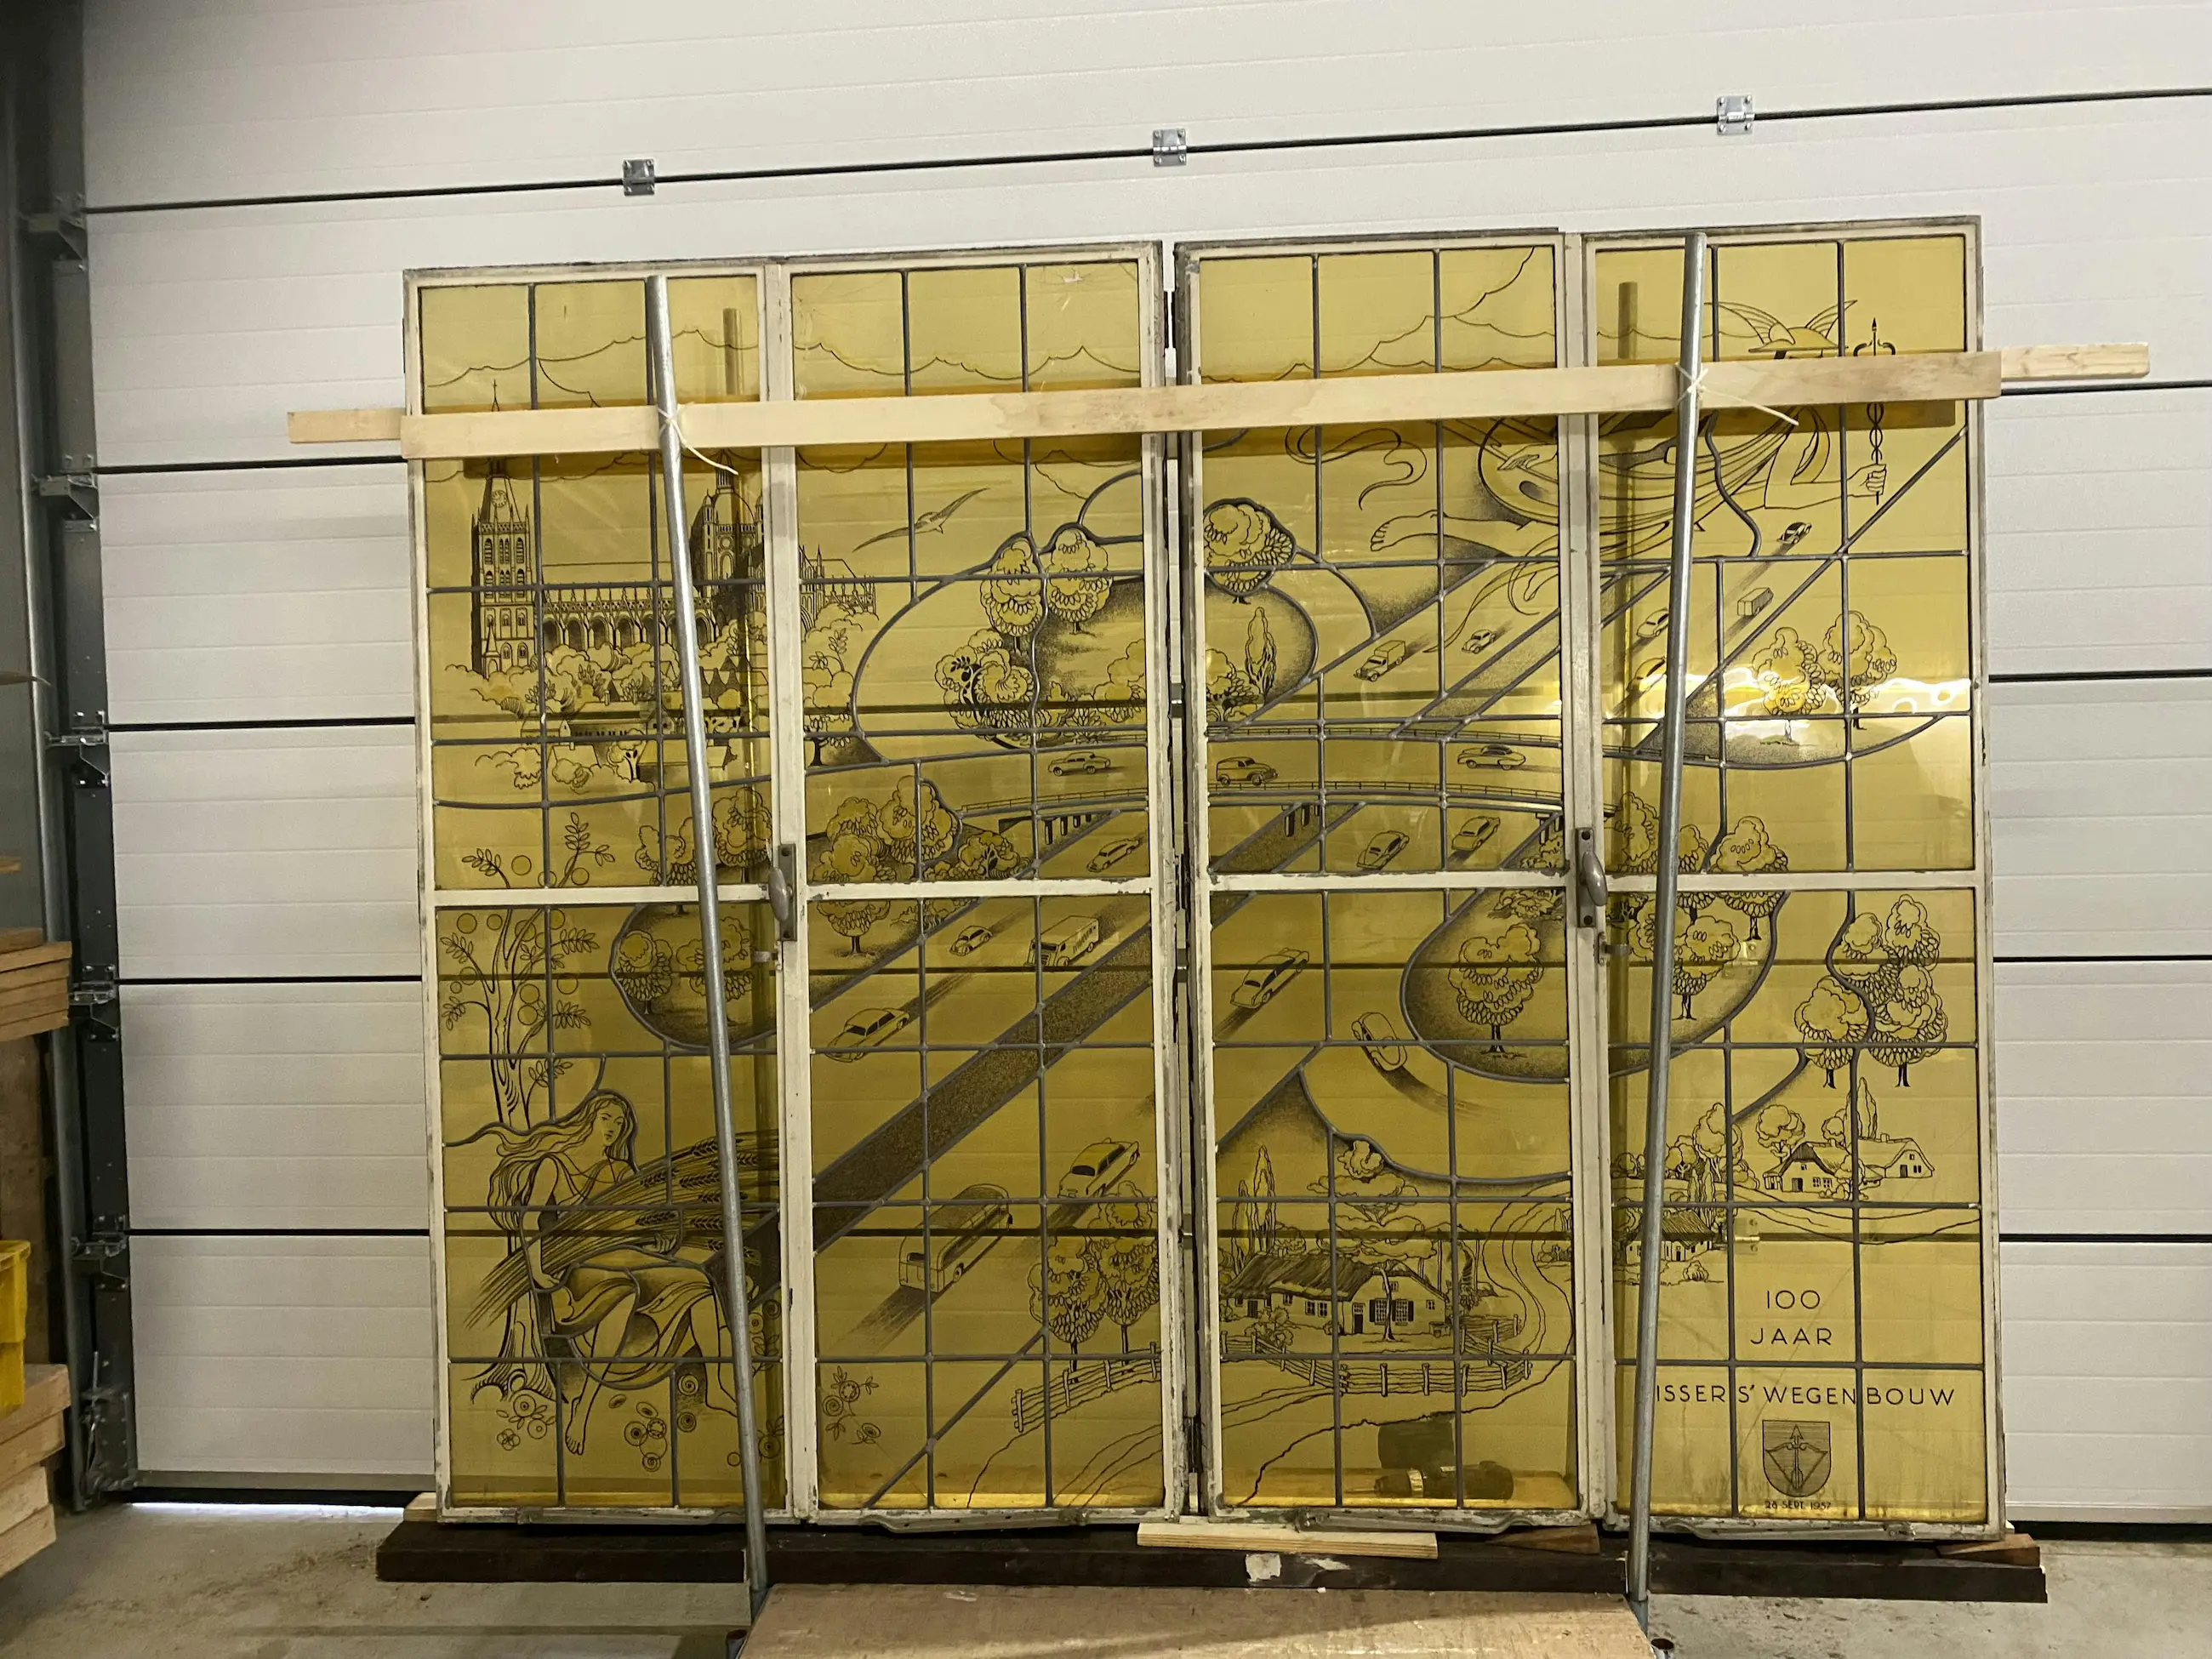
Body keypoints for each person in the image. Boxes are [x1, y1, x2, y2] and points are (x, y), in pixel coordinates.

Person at [485, 1091, 737, 1453]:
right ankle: (583, 1408)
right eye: (606, 1118)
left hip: (626, 1257)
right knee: (622, 1293)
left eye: (619, 1123)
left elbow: (638, 1226)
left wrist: (661, 1239)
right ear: (588, 1119)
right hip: (583, 1266)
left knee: (699, 1282)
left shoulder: (621, 1171)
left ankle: (718, 1384)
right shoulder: (555, 1165)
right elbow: (531, 1218)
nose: (612, 1128)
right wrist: (536, 1271)